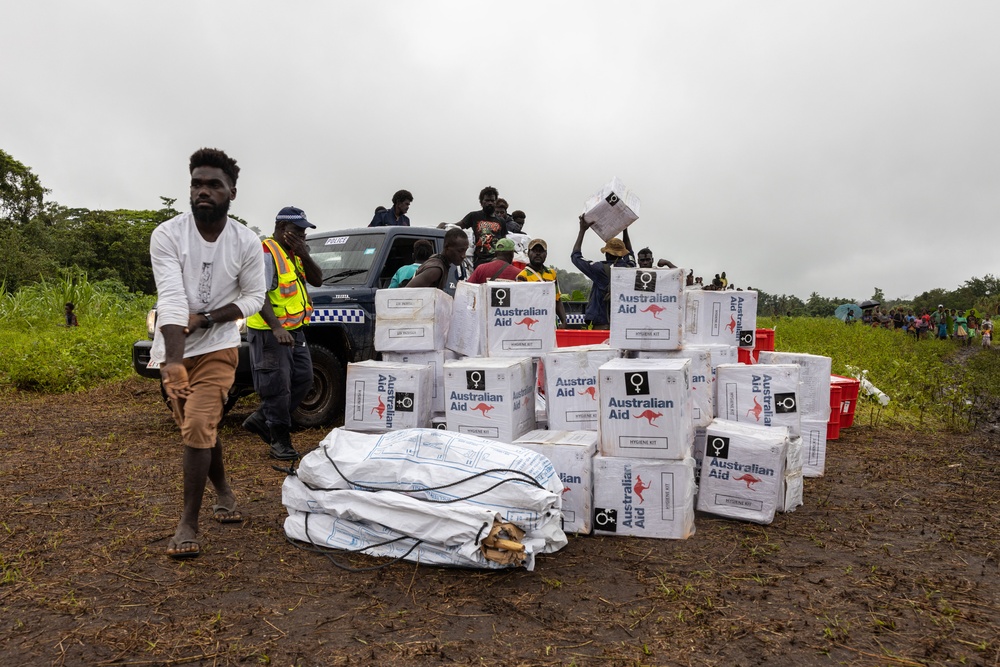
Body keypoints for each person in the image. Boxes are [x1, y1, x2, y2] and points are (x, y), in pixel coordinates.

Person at [149, 148, 265, 559]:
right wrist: (175, 362)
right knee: (203, 427)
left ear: (232, 191)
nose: (203, 191)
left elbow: (254, 297)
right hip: (174, 348)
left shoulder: (247, 242)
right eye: (197, 183)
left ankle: (187, 524)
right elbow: (172, 298)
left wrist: (211, 318)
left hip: (219, 347)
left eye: (213, 184)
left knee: (199, 424)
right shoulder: (167, 235)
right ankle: (225, 492)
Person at [242, 206, 323, 461]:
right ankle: (280, 441)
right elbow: (258, 293)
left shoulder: (295, 254)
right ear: (280, 229)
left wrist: (304, 254)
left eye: (304, 232)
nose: (302, 237)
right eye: (296, 231)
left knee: (304, 379)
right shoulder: (266, 252)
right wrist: (276, 327)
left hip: (294, 331)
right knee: (277, 389)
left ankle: (261, 419)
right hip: (270, 332)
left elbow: (318, 280)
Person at [570, 215, 635, 330]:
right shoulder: (630, 267)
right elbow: (630, 253)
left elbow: (576, 257)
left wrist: (582, 230)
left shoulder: (599, 269)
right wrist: (625, 228)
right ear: (621, 254)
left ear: (607, 253)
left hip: (602, 326)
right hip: (623, 328)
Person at [516, 238, 568, 327]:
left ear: (546, 254)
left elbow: (557, 300)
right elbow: (521, 305)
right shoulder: (522, 276)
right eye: (534, 251)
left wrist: (563, 321)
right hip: (534, 323)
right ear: (528, 253)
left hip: (551, 323)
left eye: (541, 251)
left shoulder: (552, 273)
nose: (538, 253)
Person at [456, 186, 507, 267]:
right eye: (487, 200)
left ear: (495, 202)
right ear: (481, 202)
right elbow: (458, 226)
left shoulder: (501, 221)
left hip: (497, 261)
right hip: (480, 261)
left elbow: (504, 242)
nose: (490, 203)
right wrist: (446, 225)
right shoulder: (474, 216)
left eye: (492, 200)